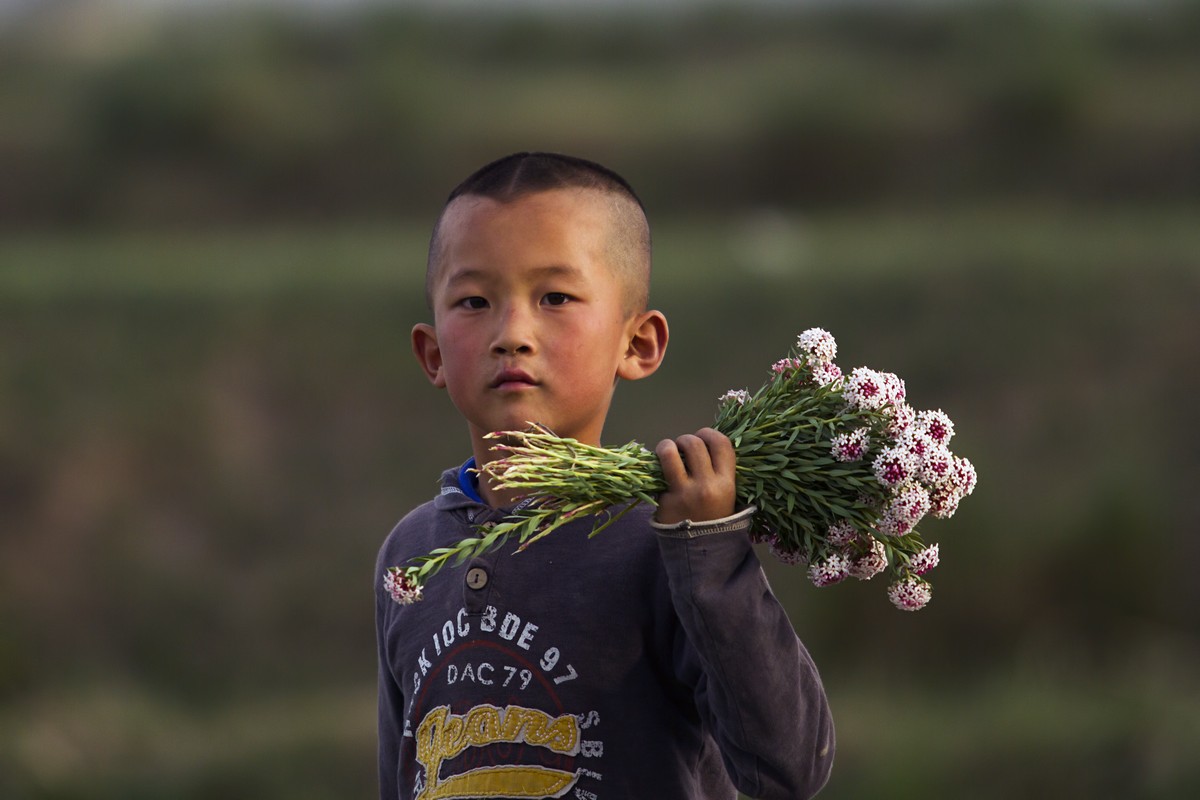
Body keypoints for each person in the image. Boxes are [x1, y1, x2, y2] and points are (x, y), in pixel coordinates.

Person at [376, 152, 834, 800]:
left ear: (637, 343)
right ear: (432, 354)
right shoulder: (410, 554)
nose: (513, 333)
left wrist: (713, 559)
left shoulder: (666, 540)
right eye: (474, 300)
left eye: (555, 297)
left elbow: (788, 767)